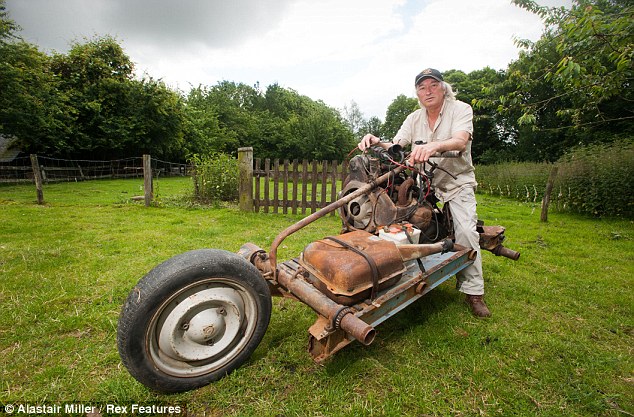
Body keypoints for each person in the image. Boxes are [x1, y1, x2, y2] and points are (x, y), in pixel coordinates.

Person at [357, 68, 491, 318]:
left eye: (433, 85)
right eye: (422, 87)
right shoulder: (414, 118)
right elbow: (397, 146)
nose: (427, 91)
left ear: (443, 88)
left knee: (465, 231)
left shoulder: (460, 109)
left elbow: (461, 141)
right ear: (417, 92)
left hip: (456, 181)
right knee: (400, 223)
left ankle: (474, 292)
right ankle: (397, 275)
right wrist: (376, 141)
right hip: (424, 182)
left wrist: (434, 146)